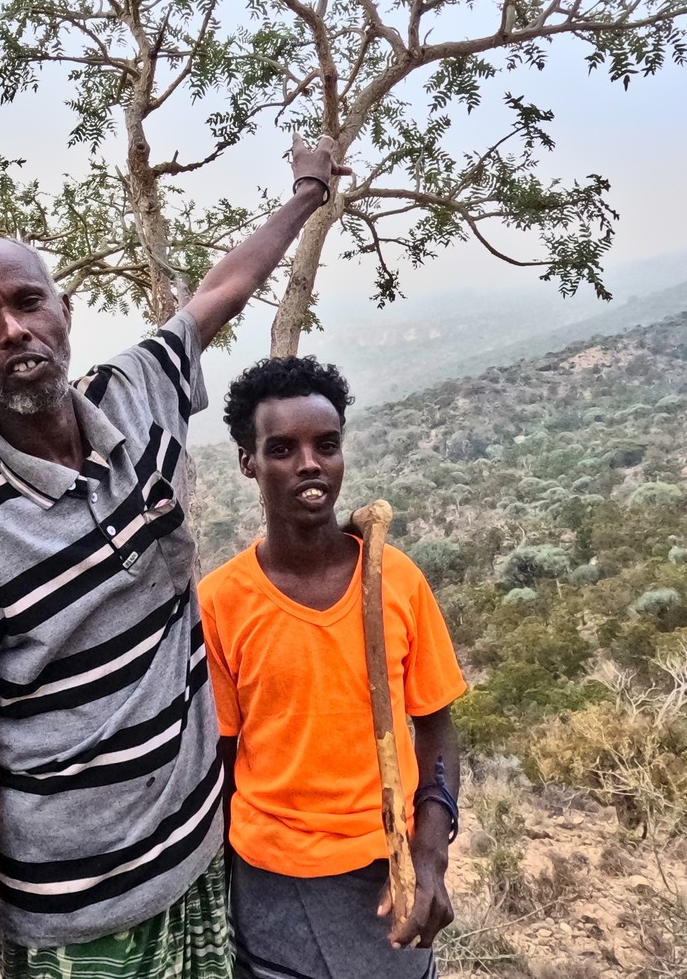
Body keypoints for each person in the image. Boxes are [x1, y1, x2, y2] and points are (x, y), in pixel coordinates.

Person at [0, 138, 352, 979]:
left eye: (28, 301)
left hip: (201, 857)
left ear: (65, 308)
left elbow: (223, 288)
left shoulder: (138, 391)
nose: (14, 329)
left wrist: (307, 191)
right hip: (76, 912)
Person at [200, 357, 465, 979]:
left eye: (327, 445)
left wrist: (430, 857)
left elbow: (437, 728)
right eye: (282, 448)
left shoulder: (396, 580)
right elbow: (222, 759)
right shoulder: (220, 602)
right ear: (249, 463)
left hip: (387, 872)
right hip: (269, 883)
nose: (309, 463)